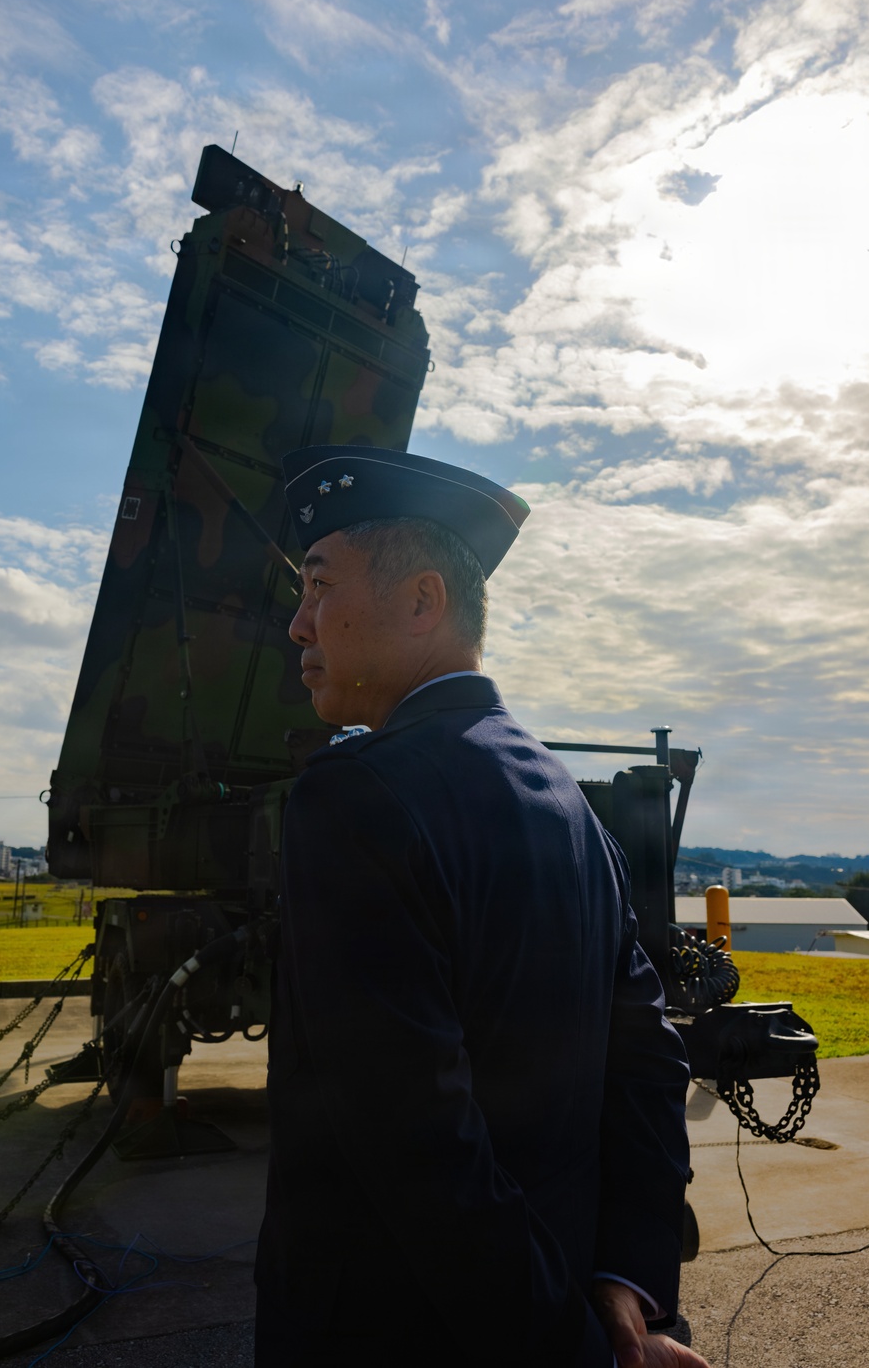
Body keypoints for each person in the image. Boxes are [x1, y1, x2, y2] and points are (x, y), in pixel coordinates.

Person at [254, 446, 709, 1367]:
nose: (299, 624)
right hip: (564, 1301)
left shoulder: (354, 798)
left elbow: (419, 1147)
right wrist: (624, 1283)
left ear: (423, 600)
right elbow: (649, 1067)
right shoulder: (569, 804)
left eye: (316, 583)